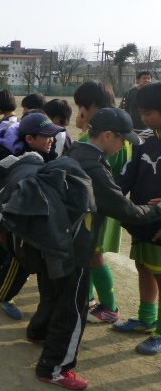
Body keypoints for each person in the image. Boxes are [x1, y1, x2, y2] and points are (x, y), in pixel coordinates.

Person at [31, 106, 161, 389]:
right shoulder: (94, 166)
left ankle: (37, 331)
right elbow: (126, 210)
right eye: (122, 139)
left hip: (54, 239)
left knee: (53, 294)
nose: (124, 145)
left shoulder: (76, 151)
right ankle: (54, 368)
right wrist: (158, 210)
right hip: (77, 246)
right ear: (108, 135)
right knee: (74, 309)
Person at [0, 113, 64, 319]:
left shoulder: (39, 157)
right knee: (19, 262)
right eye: (46, 136)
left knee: (23, 260)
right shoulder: (29, 162)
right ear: (30, 139)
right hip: (21, 225)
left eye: (53, 135)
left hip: (28, 221)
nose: (51, 140)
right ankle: (2, 297)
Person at [73, 81, 127, 324]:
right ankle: (89, 299)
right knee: (89, 256)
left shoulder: (96, 138)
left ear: (91, 107)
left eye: (82, 108)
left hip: (96, 209)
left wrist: (85, 128)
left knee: (94, 256)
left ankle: (110, 307)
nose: (80, 112)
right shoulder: (118, 134)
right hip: (105, 205)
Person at [115, 83, 161, 355]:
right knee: (143, 267)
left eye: (149, 113)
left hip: (159, 223)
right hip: (142, 218)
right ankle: (146, 318)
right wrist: (110, 197)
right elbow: (129, 174)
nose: (143, 119)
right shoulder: (144, 139)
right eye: (141, 113)